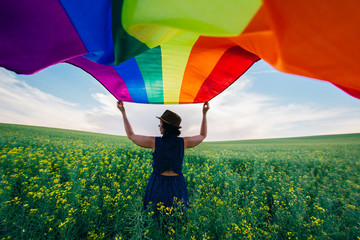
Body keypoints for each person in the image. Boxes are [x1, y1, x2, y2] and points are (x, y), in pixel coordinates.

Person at [117, 101, 210, 210]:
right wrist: (204, 113)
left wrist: (123, 112)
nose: (159, 125)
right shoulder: (184, 142)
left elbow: (131, 135)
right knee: (177, 217)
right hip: (177, 184)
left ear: (166, 126)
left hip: (158, 184)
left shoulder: (154, 142)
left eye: (160, 123)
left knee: (155, 215)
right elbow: (202, 135)